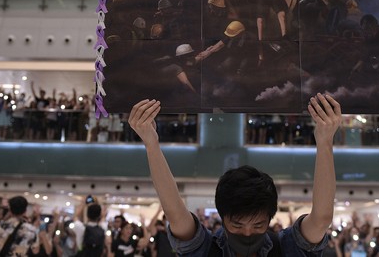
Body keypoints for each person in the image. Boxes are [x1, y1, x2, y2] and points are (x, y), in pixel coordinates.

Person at [128, 92, 342, 256]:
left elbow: (322, 219)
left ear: (270, 219)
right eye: (237, 225)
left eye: (258, 225)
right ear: (223, 218)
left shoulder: (287, 247)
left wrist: (325, 142)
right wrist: (151, 144)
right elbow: (175, 212)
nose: (248, 234)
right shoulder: (205, 249)